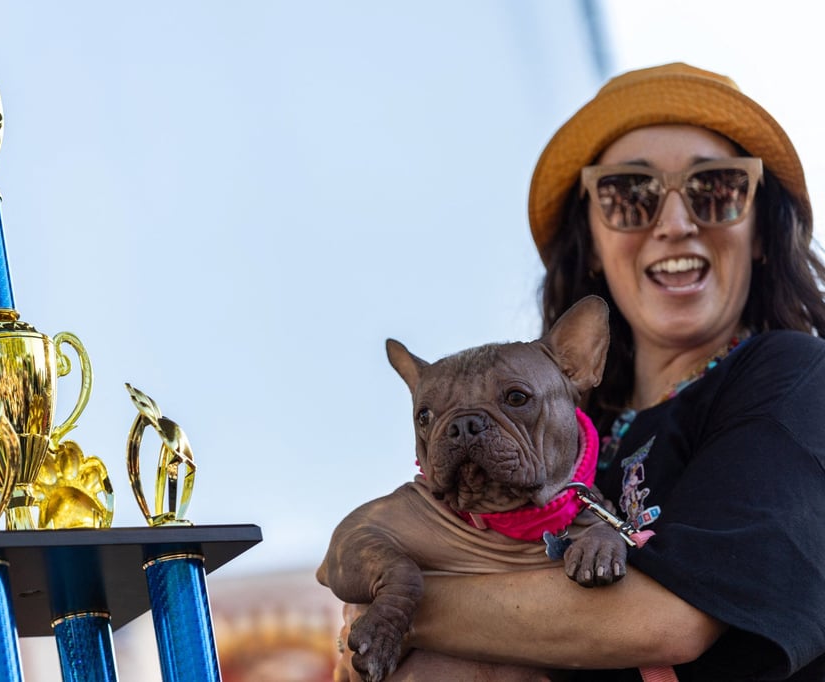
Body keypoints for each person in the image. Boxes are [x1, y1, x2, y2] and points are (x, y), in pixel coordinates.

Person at [343, 63, 825, 681]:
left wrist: (396, 609)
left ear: (760, 230)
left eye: (716, 189)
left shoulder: (795, 380)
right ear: (592, 246)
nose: (675, 223)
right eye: (629, 196)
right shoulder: (546, 418)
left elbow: (667, 622)